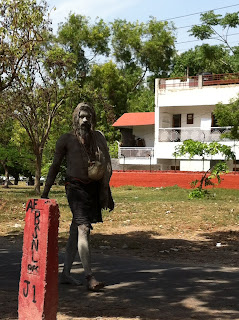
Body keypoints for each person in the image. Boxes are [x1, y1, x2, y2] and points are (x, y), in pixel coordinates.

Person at [41, 102, 114, 291]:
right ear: (75, 118)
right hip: (74, 188)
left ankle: (65, 273)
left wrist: (106, 191)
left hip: (92, 188)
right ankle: (89, 276)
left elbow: (106, 165)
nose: (84, 120)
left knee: (76, 229)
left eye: (88, 117)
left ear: (93, 119)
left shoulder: (98, 138)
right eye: (81, 116)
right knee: (83, 228)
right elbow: (55, 166)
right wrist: (45, 191)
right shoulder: (66, 140)